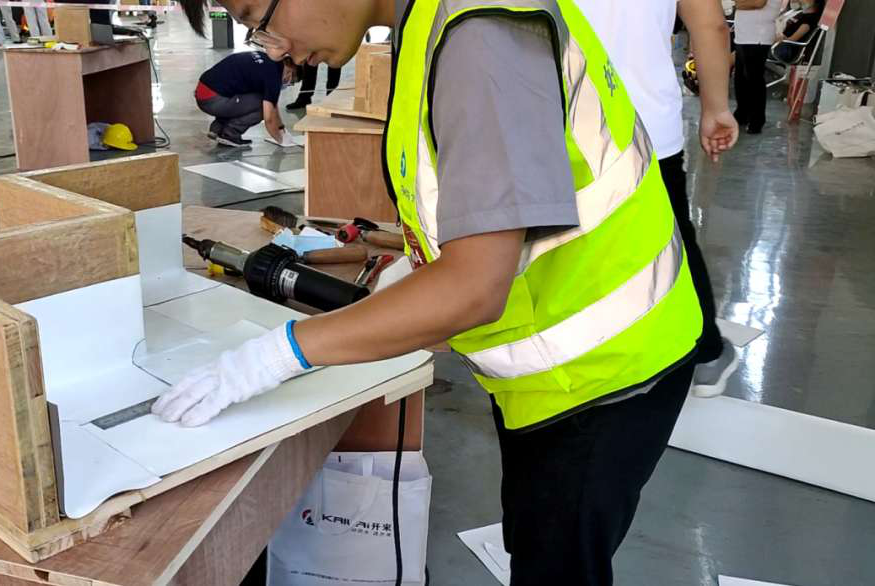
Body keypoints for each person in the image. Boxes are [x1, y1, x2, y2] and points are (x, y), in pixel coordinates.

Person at [166, 0, 703, 583]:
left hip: (606, 369)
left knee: (557, 569)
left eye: (259, 18)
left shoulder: (477, 35)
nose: (275, 47)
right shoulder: (429, 22)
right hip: (558, 364)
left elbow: (475, 287)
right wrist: (419, 266)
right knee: (536, 544)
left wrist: (277, 354)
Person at [571, 0, 739, 399]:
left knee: (572, 246)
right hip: (645, 123)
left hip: (563, 124)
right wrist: (715, 107)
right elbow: (711, 27)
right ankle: (706, 355)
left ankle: (592, 363)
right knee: (670, 241)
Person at [195, 50, 289, 148]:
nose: (289, 83)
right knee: (262, 106)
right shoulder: (273, 76)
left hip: (204, 93)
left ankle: (217, 129)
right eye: (292, 80)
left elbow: (273, 105)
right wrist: (281, 140)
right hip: (213, 100)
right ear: (290, 70)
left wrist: (281, 127)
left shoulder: (265, 58)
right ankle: (230, 134)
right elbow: (269, 117)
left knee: (246, 98)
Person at [733, 0, 783, 134]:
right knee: (740, 78)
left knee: (753, 79)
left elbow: (757, 3)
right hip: (743, 35)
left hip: (757, 36)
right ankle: (742, 113)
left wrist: (738, 4)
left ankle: (757, 120)